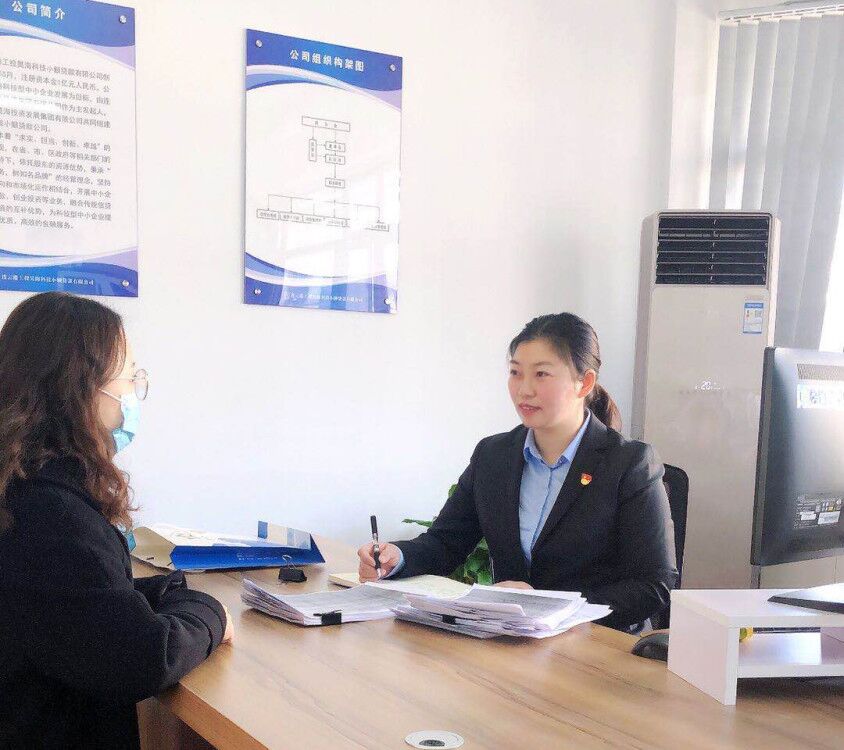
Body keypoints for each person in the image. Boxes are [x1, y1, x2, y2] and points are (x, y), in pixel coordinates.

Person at [0, 292, 233, 749]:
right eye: (129, 376)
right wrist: (213, 614)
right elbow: (143, 658)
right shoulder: (50, 515)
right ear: (81, 390)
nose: (132, 393)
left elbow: (72, 602)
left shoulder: (22, 486)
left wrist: (164, 591)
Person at [358, 312, 678, 630]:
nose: (524, 389)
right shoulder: (493, 456)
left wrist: (548, 605)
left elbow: (654, 586)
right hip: (509, 639)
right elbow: (445, 543)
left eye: (541, 374)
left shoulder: (628, 463)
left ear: (585, 382)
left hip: (593, 643)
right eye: (515, 373)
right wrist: (395, 557)